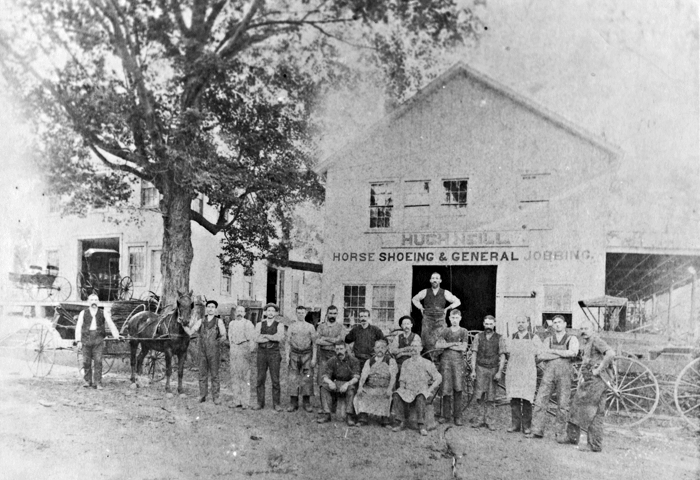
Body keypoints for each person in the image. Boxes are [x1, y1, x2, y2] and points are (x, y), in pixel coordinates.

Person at [559, 323, 615, 452]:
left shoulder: (596, 340)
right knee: (577, 406)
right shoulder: (587, 342)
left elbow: (611, 354)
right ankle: (573, 438)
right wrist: (581, 375)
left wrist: (599, 369)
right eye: (582, 328)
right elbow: (587, 361)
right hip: (590, 380)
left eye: (586, 328)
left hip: (596, 381)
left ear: (593, 330)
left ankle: (594, 444)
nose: (583, 331)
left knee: (593, 412)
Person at [528, 315, 580, 438]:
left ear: (565, 324)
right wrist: (562, 354)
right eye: (555, 322)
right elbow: (542, 356)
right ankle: (536, 430)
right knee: (540, 401)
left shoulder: (572, 339)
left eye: (559, 322)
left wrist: (554, 351)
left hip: (565, 374)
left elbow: (573, 352)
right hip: (549, 373)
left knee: (563, 404)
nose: (557, 324)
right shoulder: (548, 340)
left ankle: (560, 433)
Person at [391, 341, 442, 436]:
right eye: (412, 346)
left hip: (421, 390)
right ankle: (400, 421)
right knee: (396, 394)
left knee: (421, 396)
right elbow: (402, 379)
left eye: (416, 347)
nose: (413, 349)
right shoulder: (406, 363)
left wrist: (430, 389)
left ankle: (421, 425)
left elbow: (439, 378)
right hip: (409, 390)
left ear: (421, 348)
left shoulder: (426, 362)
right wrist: (402, 389)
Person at [74, 293, 122, 390]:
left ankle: (98, 382)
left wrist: (116, 335)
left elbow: (110, 323)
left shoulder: (103, 312)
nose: (94, 302)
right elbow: (78, 326)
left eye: (96, 300)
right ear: (88, 302)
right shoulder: (83, 313)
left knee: (98, 361)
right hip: (86, 339)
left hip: (98, 339)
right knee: (86, 361)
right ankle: (87, 381)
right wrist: (78, 340)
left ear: (98, 302)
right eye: (92, 300)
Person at [505, 315, 542, 434]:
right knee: (514, 397)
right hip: (514, 371)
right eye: (518, 322)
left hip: (528, 372)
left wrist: (530, 364)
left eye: (523, 322)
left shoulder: (534, 337)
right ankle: (515, 424)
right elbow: (507, 353)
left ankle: (526, 426)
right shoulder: (512, 337)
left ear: (528, 323)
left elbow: (540, 354)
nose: (520, 324)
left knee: (527, 398)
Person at [411, 272, 461, 356]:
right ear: (430, 280)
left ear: (440, 281)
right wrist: (420, 307)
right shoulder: (425, 291)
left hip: (440, 320)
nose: (435, 280)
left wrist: (447, 308)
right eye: (433, 278)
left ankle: (439, 360)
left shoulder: (445, 292)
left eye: (437, 278)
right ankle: (428, 360)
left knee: (441, 338)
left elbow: (457, 301)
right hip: (427, 320)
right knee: (427, 340)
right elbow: (414, 299)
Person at [470, 315, 506, 430]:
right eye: (486, 324)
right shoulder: (478, 337)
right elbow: (474, 354)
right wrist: (473, 370)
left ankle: (490, 421)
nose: (488, 326)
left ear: (494, 324)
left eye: (490, 324)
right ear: (483, 324)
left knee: (491, 396)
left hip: (493, 369)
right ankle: (480, 419)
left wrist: (499, 371)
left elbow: (502, 356)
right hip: (480, 368)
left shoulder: (499, 338)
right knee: (479, 395)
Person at [435, 309, 470, 425]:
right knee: (445, 388)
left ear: (460, 318)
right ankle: (445, 416)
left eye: (456, 318)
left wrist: (447, 346)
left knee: (458, 388)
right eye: (452, 318)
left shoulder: (464, 331)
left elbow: (464, 348)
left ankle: (457, 416)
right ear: (449, 318)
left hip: (458, 363)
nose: (454, 320)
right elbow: (438, 345)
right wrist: (454, 344)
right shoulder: (445, 331)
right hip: (445, 362)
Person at [188, 300, 226, 404]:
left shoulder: (219, 321)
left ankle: (216, 397)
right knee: (202, 374)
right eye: (208, 306)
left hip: (214, 352)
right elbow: (192, 331)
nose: (210, 309)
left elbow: (223, 335)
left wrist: (217, 343)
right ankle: (202, 395)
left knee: (214, 375)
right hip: (202, 351)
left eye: (212, 307)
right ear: (206, 308)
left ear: (215, 309)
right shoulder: (201, 320)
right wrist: (185, 328)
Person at [354, 339, 397, 427]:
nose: (380, 350)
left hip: (384, 387)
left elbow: (393, 377)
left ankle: (385, 420)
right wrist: (360, 387)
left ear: (386, 349)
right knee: (361, 394)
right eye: (377, 347)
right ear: (374, 349)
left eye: (382, 347)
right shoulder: (369, 361)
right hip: (371, 387)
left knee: (387, 396)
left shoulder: (391, 361)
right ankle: (363, 418)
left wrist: (390, 389)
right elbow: (363, 376)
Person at [317, 341, 360, 426]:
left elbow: (356, 377)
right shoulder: (331, 360)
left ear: (345, 349)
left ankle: (349, 415)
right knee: (323, 387)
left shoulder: (353, 360)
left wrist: (347, 384)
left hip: (348, 383)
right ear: (334, 350)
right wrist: (330, 382)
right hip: (336, 382)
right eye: (337, 349)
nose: (339, 351)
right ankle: (327, 414)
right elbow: (325, 376)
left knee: (351, 389)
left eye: (341, 349)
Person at [252, 303, 285, 411]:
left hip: (274, 353)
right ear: (265, 312)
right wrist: (271, 337)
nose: (270, 313)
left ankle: (277, 403)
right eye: (268, 310)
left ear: (276, 313)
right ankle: (259, 403)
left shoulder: (279, 324)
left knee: (275, 379)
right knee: (260, 378)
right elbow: (256, 338)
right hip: (261, 353)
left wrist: (265, 336)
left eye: (273, 311)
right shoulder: (259, 324)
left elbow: (279, 338)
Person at [285, 305, 317, 413]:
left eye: (302, 313)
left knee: (307, 378)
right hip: (294, 354)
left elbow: (314, 344)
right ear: (296, 313)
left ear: (306, 313)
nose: (300, 314)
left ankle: (306, 402)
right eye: (298, 313)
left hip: (307, 354)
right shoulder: (292, 326)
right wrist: (287, 356)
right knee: (293, 377)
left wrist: (314, 358)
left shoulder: (310, 327)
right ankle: (293, 402)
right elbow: (287, 342)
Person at [315, 305, 345, 413]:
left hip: (335, 356)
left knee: (334, 379)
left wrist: (325, 338)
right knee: (323, 379)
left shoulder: (341, 327)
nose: (332, 315)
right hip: (323, 355)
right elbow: (317, 341)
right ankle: (323, 406)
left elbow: (340, 341)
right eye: (330, 313)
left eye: (334, 313)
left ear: (337, 314)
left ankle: (333, 406)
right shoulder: (321, 327)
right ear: (327, 314)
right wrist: (333, 340)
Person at [228, 305, 256, 409]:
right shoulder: (231, 323)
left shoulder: (248, 323)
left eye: (241, 311)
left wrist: (249, 351)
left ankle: (245, 402)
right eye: (237, 311)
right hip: (234, 348)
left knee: (245, 376)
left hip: (244, 347)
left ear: (244, 313)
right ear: (235, 313)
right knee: (235, 375)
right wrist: (232, 348)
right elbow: (230, 337)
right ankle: (236, 401)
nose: (239, 313)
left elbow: (252, 339)